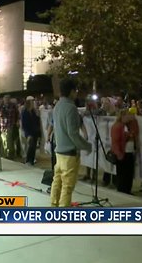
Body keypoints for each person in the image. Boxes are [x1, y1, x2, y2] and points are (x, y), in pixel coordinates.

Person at [50, 78, 92, 207]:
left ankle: (53, 206)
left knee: (57, 181)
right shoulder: (71, 108)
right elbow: (73, 133)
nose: (77, 93)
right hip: (69, 153)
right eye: (76, 90)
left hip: (59, 151)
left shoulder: (57, 106)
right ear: (72, 91)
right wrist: (86, 146)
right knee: (67, 186)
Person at [111, 109, 139, 195]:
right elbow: (115, 141)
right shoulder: (118, 126)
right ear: (123, 116)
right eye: (127, 115)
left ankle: (127, 190)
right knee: (122, 173)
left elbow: (135, 132)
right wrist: (119, 153)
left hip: (129, 152)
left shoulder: (127, 125)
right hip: (122, 153)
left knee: (129, 173)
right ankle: (122, 189)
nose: (129, 116)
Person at [0, 95, 20, 159]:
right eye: (5, 99)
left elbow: (17, 114)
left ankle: (11, 154)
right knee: (4, 140)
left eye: (8, 99)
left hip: (10, 124)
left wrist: (17, 121)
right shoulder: (1, 106)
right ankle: (6, 153)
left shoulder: (13, 106)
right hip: (3, 126)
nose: (6, 100)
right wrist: (0, 120)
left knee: (9, 139)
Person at [21, 96, 41, 165]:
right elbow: (24, 124)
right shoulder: (25, 112)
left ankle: (31, 160)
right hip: (29, 132)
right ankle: (28, 160)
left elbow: (36, 121)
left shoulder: (33, 112)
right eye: (32, 102)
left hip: (34, 131)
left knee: (33, 146)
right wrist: (28, 133)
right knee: (30, 146)